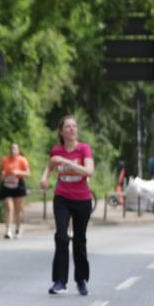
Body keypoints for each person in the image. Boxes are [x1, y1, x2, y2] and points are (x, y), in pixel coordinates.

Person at [40, 116, 95, 296]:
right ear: (61, 132)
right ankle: (59, 281)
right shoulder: (56, 150)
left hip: (82, 199)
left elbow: (89, 171)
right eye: (68, 127)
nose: (72, 129)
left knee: (79, 240)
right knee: (61, 237)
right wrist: (45, 177)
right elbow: (50, 166)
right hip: (62, 197)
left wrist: (69, 162)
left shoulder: (83, 149)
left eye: (74, 126)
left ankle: (81, 280)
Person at [0, 142, 31, 239]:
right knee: (9, 207)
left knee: (18, 209)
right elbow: (2, 173)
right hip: (7, 185)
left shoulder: (22, 160)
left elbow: (28, 173)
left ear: (18, 150)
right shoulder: (5, 160)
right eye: (11, 148)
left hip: (18, 185)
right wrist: (3, 176)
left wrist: (18, 172)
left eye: (15, 148)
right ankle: (8, 230)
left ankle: (18, 228)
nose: (13, 150)